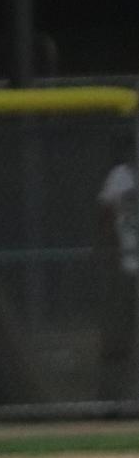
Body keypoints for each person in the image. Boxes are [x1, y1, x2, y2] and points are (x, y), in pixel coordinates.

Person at [98, 156, 138, 399]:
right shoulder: (120, 175)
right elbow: (104, 217)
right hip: (126, 268)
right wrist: (109, 254)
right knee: (118, 338)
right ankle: (114, 398)